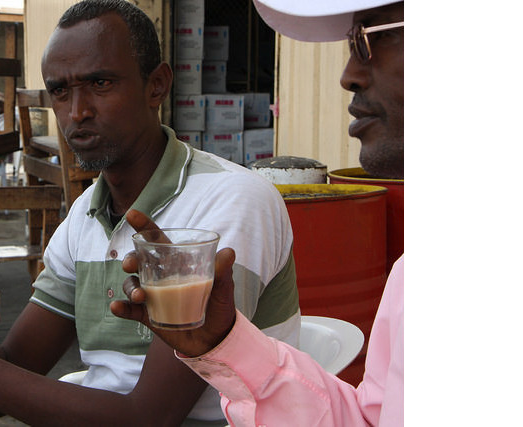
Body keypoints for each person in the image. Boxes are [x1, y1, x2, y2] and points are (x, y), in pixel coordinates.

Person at [0, 1, 300, 425]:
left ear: (157, 85)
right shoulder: (85, 216)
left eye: (99, 82)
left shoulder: (232, 200)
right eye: (60, 91)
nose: (76, 112)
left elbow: (148, 418)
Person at [112, 1, 404, 425]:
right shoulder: (407, 277)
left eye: (375, 37)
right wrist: (224, 343)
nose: (348, 75)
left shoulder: (240, 198)